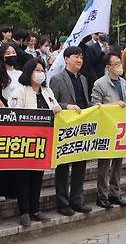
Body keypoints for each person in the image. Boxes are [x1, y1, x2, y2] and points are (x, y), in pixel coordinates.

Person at [9, 59, 61, 225]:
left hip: (43, 141)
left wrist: (57, 110)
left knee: (37, 177)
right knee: (24, 177)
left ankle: (35, 209)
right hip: (25, 141)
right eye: (36, 70)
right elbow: (15, 114)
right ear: (29, 72)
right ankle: (24, 211)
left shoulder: (47, 91)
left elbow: (56, 107)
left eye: (42, 70)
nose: (40, 73)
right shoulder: (20, 91)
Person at [49, 46, 93, 216]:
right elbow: (53, 102)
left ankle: (77, 200)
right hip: (66, 128)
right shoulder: (57, 79)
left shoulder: (83, 79)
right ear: (66, 59)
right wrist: (68, 107)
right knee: (63, 167)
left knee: (80, 166)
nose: (79, 60)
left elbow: (85, 102)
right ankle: (62, 202)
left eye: (81, 57)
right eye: (76, 56)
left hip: (82, 127)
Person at [91, 53, 126, 209]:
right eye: (116, 64)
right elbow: (95, 106)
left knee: (118, 163)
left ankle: (114, 193)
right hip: (106, 128)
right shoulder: (100, 83)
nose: (119, 66)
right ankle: (102, 195)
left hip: (121, 128)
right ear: (108, 67)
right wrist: (113, 105)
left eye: (120, 63)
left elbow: (124, 101)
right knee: (104, 164)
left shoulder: (123, 82)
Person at [0, 43, 22, 202]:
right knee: (2, 151)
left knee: (15, 152)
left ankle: (13, 188)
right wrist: (6, 110)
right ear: (2, 56)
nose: (11, 55)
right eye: (8, 52)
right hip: (4, 115)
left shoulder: (21, 73)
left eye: (13, 52)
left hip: (19, 116)